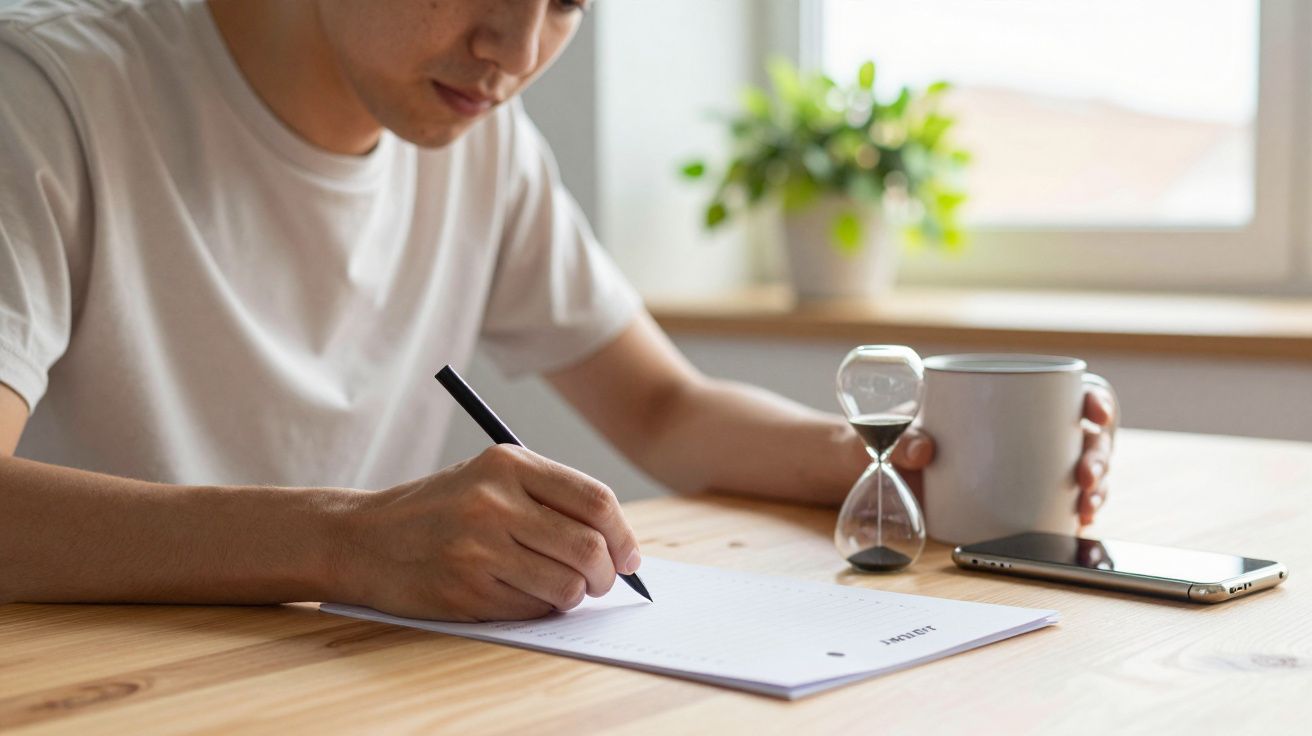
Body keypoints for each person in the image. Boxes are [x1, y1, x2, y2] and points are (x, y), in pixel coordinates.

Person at [0, 0, 1117, 622]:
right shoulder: (48, 95)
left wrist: (893, 457)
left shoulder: (477, 144)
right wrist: (345, 540)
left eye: (569, 2)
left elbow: (665, 407)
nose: (518, 50)